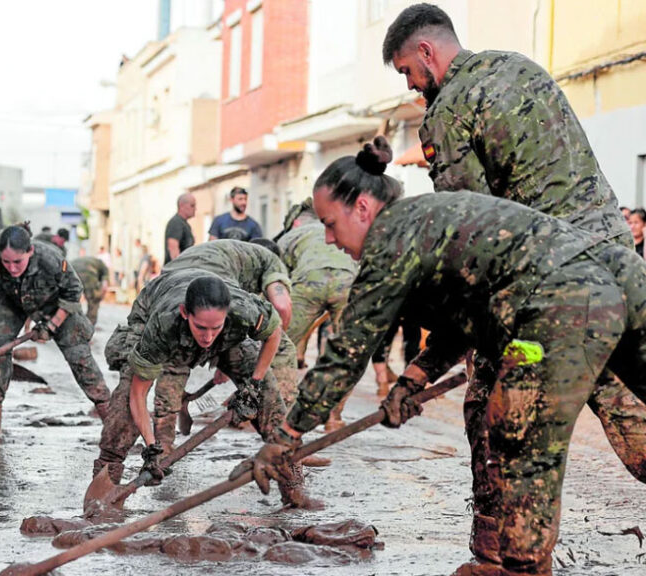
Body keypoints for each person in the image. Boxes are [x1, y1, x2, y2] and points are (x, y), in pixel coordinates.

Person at [240, 144, 646, 576]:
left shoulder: (390, 240)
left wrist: (284, 437)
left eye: (329, 224)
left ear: (361, 207)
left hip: (557, 312)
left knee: (517, 445)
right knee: (633, 423)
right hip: (617, 280)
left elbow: (347, 353)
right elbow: (463, 324)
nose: (328, 239)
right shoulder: (426, 223)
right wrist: (411, 380)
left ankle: (520, 572)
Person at [384, 0, 646, 540]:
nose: (412, 87)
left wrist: (425, 366)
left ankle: (498, 552)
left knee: (489, 410)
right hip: (613, 264)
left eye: (408, 72)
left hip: (549, 290)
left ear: (427, 53)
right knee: (625, 404)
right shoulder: (521, 66)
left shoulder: (448, 112)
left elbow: (471, 251)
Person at [95, 271, 314, 508]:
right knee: (123, 407)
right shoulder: (161, 326)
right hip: (158, 312)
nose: (208, 337)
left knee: (268, 398)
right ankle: (105, 484)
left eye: (215, 328)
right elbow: (138, 394)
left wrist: (254, 384)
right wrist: (150, 446)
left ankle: (294, 489)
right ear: (185, 313)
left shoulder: (244, 310)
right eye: (201, 328)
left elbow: (273, 333)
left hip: (230, 334)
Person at [0, 225, 110, 432]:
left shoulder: (50, 259)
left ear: (30, 251)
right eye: (6, 262)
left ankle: (112, 425)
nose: (12, 268)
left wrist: (52, 325)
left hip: (58, 305)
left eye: (17, 261)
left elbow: (73, 291)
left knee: (79, 357)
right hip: (13, 303)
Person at [155, 239, 297, 446]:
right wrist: (258, 370)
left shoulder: (227, 255)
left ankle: (161, 449)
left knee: (174, 369)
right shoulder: (271, 262)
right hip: (203, 303)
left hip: (172, 297)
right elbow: (282, 308)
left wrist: (226, 359)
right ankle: (283, 441)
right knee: (282, 350)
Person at [276, 201, 361, 430]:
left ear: (294, 222)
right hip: (347, 283)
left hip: (307, 283)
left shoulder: (290, 237)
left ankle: (280, 415)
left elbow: (277, 283)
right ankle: (334, 417)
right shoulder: (339, 230)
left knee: (281, 347)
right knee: (349, 353)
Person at [70, 256, 110, 326]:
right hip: (88, 272)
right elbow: (104, 286)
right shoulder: (103, 267)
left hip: (72, 269)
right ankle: (89, 325)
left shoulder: (92, 261)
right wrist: (99, 295)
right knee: (94, 300)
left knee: (70, 298)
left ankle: (70, 321)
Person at [164, 193, 196, 263]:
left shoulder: (184, 224)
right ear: (182, 205)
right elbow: (173, 249)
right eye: (192, 205)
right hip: (176, 271)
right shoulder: (176, 223)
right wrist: (179, 268)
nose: (195, 209)